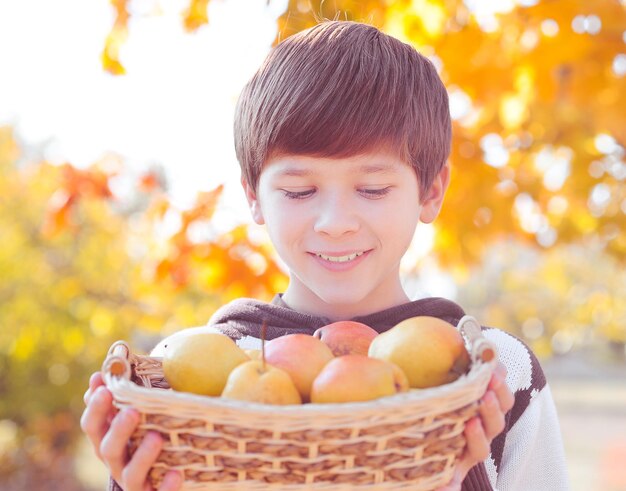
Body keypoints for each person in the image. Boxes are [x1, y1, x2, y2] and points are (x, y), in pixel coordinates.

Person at [81, 20, 569, 491]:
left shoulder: (492, 374)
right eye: (299, 190)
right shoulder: (196, 379)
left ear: (431, 191)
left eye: (373, 188)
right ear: (253, 196)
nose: (335, 221)